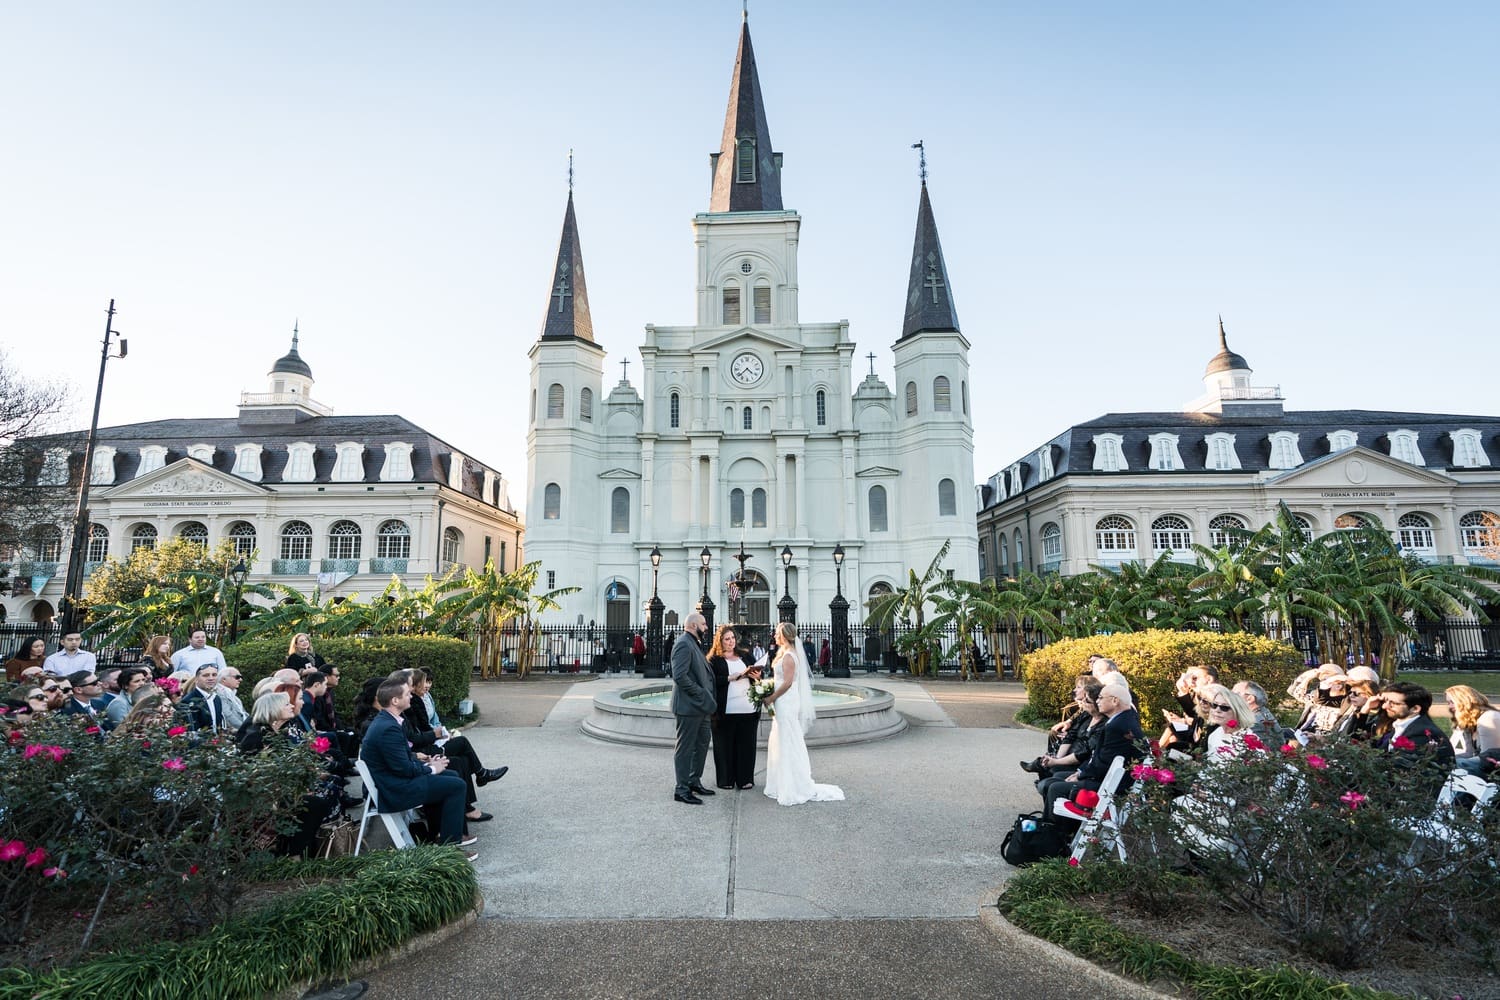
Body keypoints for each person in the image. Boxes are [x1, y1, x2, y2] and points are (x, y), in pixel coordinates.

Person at [361, 677, 476, 859]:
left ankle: (438, 835)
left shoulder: (389, 721)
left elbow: (403, 761)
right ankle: (451, 849)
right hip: (395, 790)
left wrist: (429, 763)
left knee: (452, 774)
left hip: (396, 782)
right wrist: (431, 769)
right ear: (395, 701)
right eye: (407, 694)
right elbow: (403, 769)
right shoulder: (387, 728)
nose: (411, 697)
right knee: (456, 786)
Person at [760, 621, 844, 806]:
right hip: (784, 700)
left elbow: (788, 682)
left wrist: (771, 697)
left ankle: (792, 784)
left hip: (786, 701)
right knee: (781, 736)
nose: (774, 635)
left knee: (787, 737)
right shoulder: (784, 652)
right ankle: (780, 780)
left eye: (776, 633)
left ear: (783, 635)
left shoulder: (790, 656)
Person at [1046, 683, 1145, 819]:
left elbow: (1104, 762)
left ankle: (1055, 833)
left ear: (1115, 701)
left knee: (1055, 788)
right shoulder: (1122, 719)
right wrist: (1080, 772)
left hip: (1113, 786)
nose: (1097, 701)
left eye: (1101, 698)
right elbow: (1100, 757)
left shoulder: (1118, 726)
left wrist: (1081, 775)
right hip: (1106, 778)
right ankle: (1050, 828)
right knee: (1056, 778)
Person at [669, 612, 717, 805]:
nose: (706, 628)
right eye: (704, 624)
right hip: (689, 707)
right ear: (693, 625)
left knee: (702, 743)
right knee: (685, 748)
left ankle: (693, 781)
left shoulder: (693, 643)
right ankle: (681, 789)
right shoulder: (683, 643)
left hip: (701, 707)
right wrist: (702, 694)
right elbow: (679, 676)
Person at [708, 625, 761, 791]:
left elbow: (759, 676)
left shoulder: (745, 655)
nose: (731, 642)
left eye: (732, 638)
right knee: (724, 747)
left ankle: (745, 779)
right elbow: (709, 682)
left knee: (747, 746)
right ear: (720, 641)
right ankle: (726, 779)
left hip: (748, 709)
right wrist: (728, 678)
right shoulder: (713, 660)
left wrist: (757, 677)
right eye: (727, 639)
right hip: (725, 711)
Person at [1444, 685, 1500, 775]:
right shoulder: (1468, 721)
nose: (1450, 707)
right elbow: (1467, 753)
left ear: (1465, 701)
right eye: (1448, 703)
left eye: (1452, 702)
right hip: (1484, 766)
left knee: (1454, 766)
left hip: (1493, 768)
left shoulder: (1489, 718)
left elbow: (1488, 759)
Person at [177, 664, 225, 731]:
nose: (211, 678)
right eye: (206, 675)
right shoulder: (188, 701)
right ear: (196, 679)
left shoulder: (217, 699)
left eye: (214, 675)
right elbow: (191, 731)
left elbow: (219, 726)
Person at [215, 666, 248, 733]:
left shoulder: (235, 697)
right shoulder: (218, 693)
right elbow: (228, 716)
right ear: (224, 679)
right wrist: (246, 728)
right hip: (232, 733)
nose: (240, 680)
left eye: (241, 677)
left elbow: (244, 714)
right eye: (237, 677)